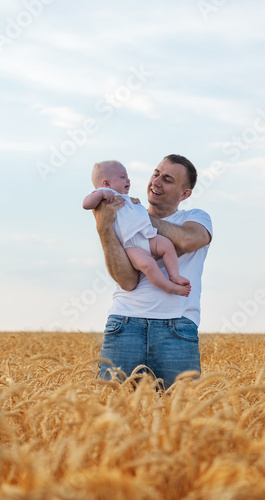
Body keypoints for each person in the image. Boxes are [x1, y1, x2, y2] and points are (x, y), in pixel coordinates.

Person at [92, 154, 213, 389]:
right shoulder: (119, 220)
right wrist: (103, 226)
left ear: (184, 194)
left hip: (176, 327)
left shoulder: (196, 218)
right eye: (156, 174)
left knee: (180, 415)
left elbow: (188, 240)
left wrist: (136, 217)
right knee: (112, 413)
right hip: (124, 323)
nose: (156, 182)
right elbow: (127, 281)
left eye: (167, 179)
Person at [83, 160, 191, 296]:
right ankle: (169, 287)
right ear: (106, 183)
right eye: (123, 177)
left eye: (127, 177)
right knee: (148, 265)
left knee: (167, 245)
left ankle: (174, 275)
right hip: (130, 245)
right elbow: (86, 204)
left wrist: (134, 203)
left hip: (146, 235)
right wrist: (100, 194)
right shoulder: (102, 194)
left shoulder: (125, 198)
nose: (128, 180)